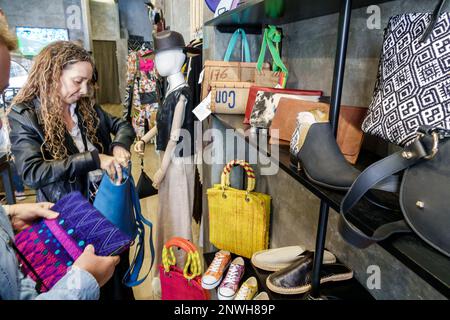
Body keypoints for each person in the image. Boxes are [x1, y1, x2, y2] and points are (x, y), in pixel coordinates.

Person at [0, 13, 119, 300]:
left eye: (88, 83)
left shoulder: (83, 105)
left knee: (113, 275)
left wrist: (120, 145)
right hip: (64, 214)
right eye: (77, 81)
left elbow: (120, 125)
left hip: (101, 205)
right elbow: (32, 172)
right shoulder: (25, 113)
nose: (84, 90)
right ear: (54, 75)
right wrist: (94, 158)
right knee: (75, 276)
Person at [134, 30, 199, 296]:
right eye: (156, 55)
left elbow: (175, 135)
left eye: (162, 55)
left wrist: (160, 170)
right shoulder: (169, 88)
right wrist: (144, 138)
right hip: (168, 159)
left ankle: (181, 274)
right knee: (166, 216)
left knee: (179, 216)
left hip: (179, 162)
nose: (157, 61)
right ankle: (167, 268)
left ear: (178, 57)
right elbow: (161, 122)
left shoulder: (182, 92)